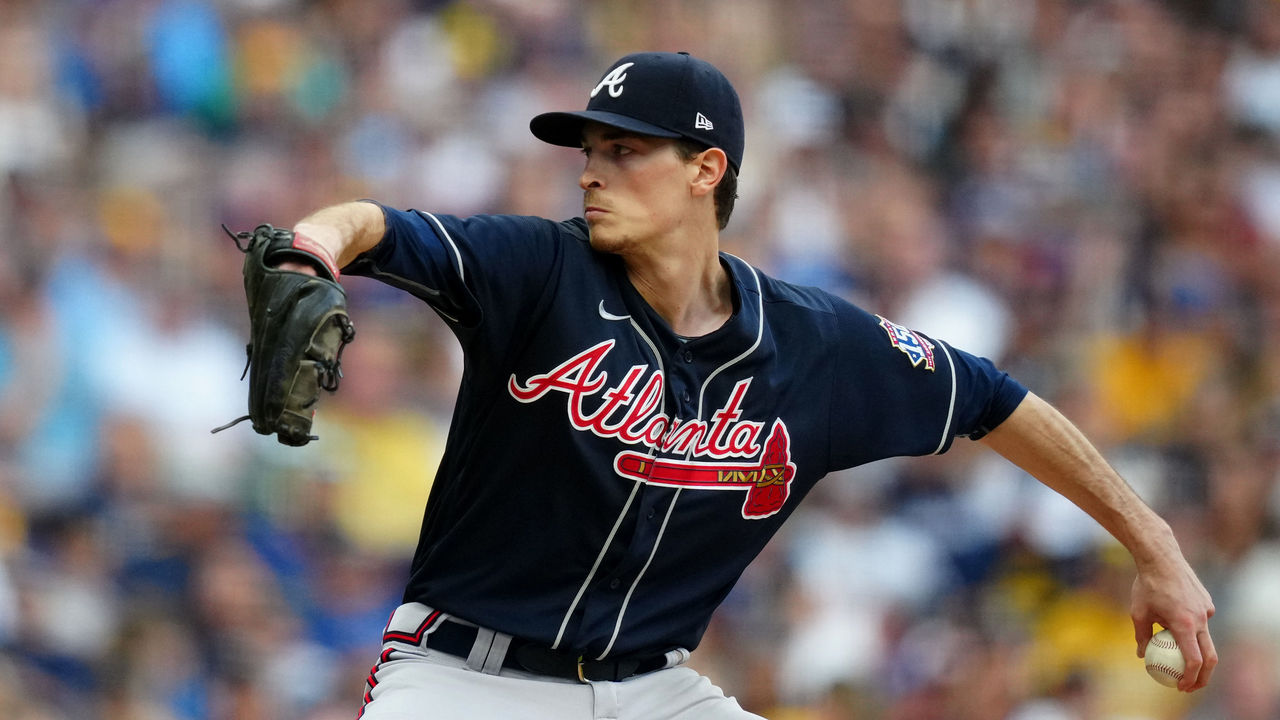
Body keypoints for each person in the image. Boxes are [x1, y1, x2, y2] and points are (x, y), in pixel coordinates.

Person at [272, 52, 1216, 719]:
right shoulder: (538, 270)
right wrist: (308, 253)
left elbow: (995, 402)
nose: (592, 174)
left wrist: (1156, 546)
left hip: (650, 689)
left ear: (705, 170)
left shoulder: (813, 345)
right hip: (462, 681)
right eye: (589, 152)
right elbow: (370, 224)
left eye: (624, 151)